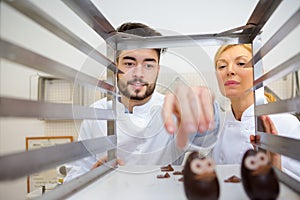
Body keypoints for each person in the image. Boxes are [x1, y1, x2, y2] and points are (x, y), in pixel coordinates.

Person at [64, 22, 220, 181]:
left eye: (148, 65)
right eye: (129, 63)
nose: (139, 73)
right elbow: (75, 175)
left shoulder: (172, 110)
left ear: (157, 69)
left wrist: (200, 108)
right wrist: (93, 176)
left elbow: (202, 144)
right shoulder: (96, 113)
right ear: (115, 66)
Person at [211, 44, 300, 180]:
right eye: (222, 66)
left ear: (260, 74)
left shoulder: (287, 124)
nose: (229, 71)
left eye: (241, 63)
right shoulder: (218, 126)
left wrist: (275, 170)